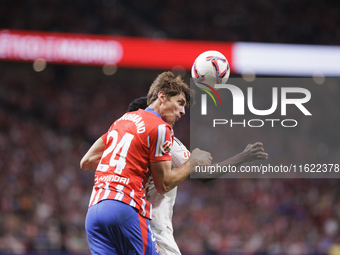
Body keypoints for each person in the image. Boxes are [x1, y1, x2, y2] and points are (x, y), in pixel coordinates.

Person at [80, 71, 212, 255]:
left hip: (94, 211)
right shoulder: (160, 127)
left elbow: (86, 161)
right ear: (162, 97)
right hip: (125, 208)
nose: (182, 111)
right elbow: (164, 183)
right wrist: (193, 162)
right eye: (180, 103)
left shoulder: (122, 120)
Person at [126, 97, 268, 255]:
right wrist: (243, 157)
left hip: (123, 224)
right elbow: (205, 174)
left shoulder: (119, 145)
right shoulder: (163, 139)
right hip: (153, 229)